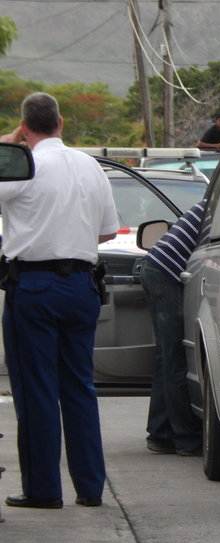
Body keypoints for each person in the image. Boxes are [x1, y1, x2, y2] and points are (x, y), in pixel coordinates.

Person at [0, 93, 119, 509]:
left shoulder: (22, 163)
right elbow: (107, 232)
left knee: (37, 390)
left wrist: (11, 144)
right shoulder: (90, 166)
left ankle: (44, 489)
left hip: (34, 286)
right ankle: (90, 488)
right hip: (81, 287)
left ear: (25, 125)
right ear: (61, 122)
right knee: (79, 389)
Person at [139, 201, 206, 456]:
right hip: (165, 272)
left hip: (157, 267)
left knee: (166, 357)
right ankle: (185, 438)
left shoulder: (215, 201)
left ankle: (160, 432)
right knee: (175, 358)